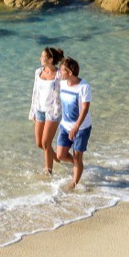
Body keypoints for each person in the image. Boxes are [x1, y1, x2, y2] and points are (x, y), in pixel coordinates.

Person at [54, 57, 92, 191]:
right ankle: (78, 165)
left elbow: (85, 109)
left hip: (81, 128)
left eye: (62, 70)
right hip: (65, 126)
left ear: (70, 73)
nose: (59, 72)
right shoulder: (63, 83)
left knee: (77, 156)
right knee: (60, 155)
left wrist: (76, 127)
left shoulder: (84, 87)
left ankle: (74, 183)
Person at [29, 47, 64, 175]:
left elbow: (69, 87)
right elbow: (35, 92)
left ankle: (48, 171)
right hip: (39, 110)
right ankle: (55, 156)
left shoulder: (60, 75)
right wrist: (32, 111)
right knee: (40, 143)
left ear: (50, 59)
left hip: (53, 112)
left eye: (42, 56)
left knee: (46, 143)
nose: (40, 58)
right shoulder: (38, 72)